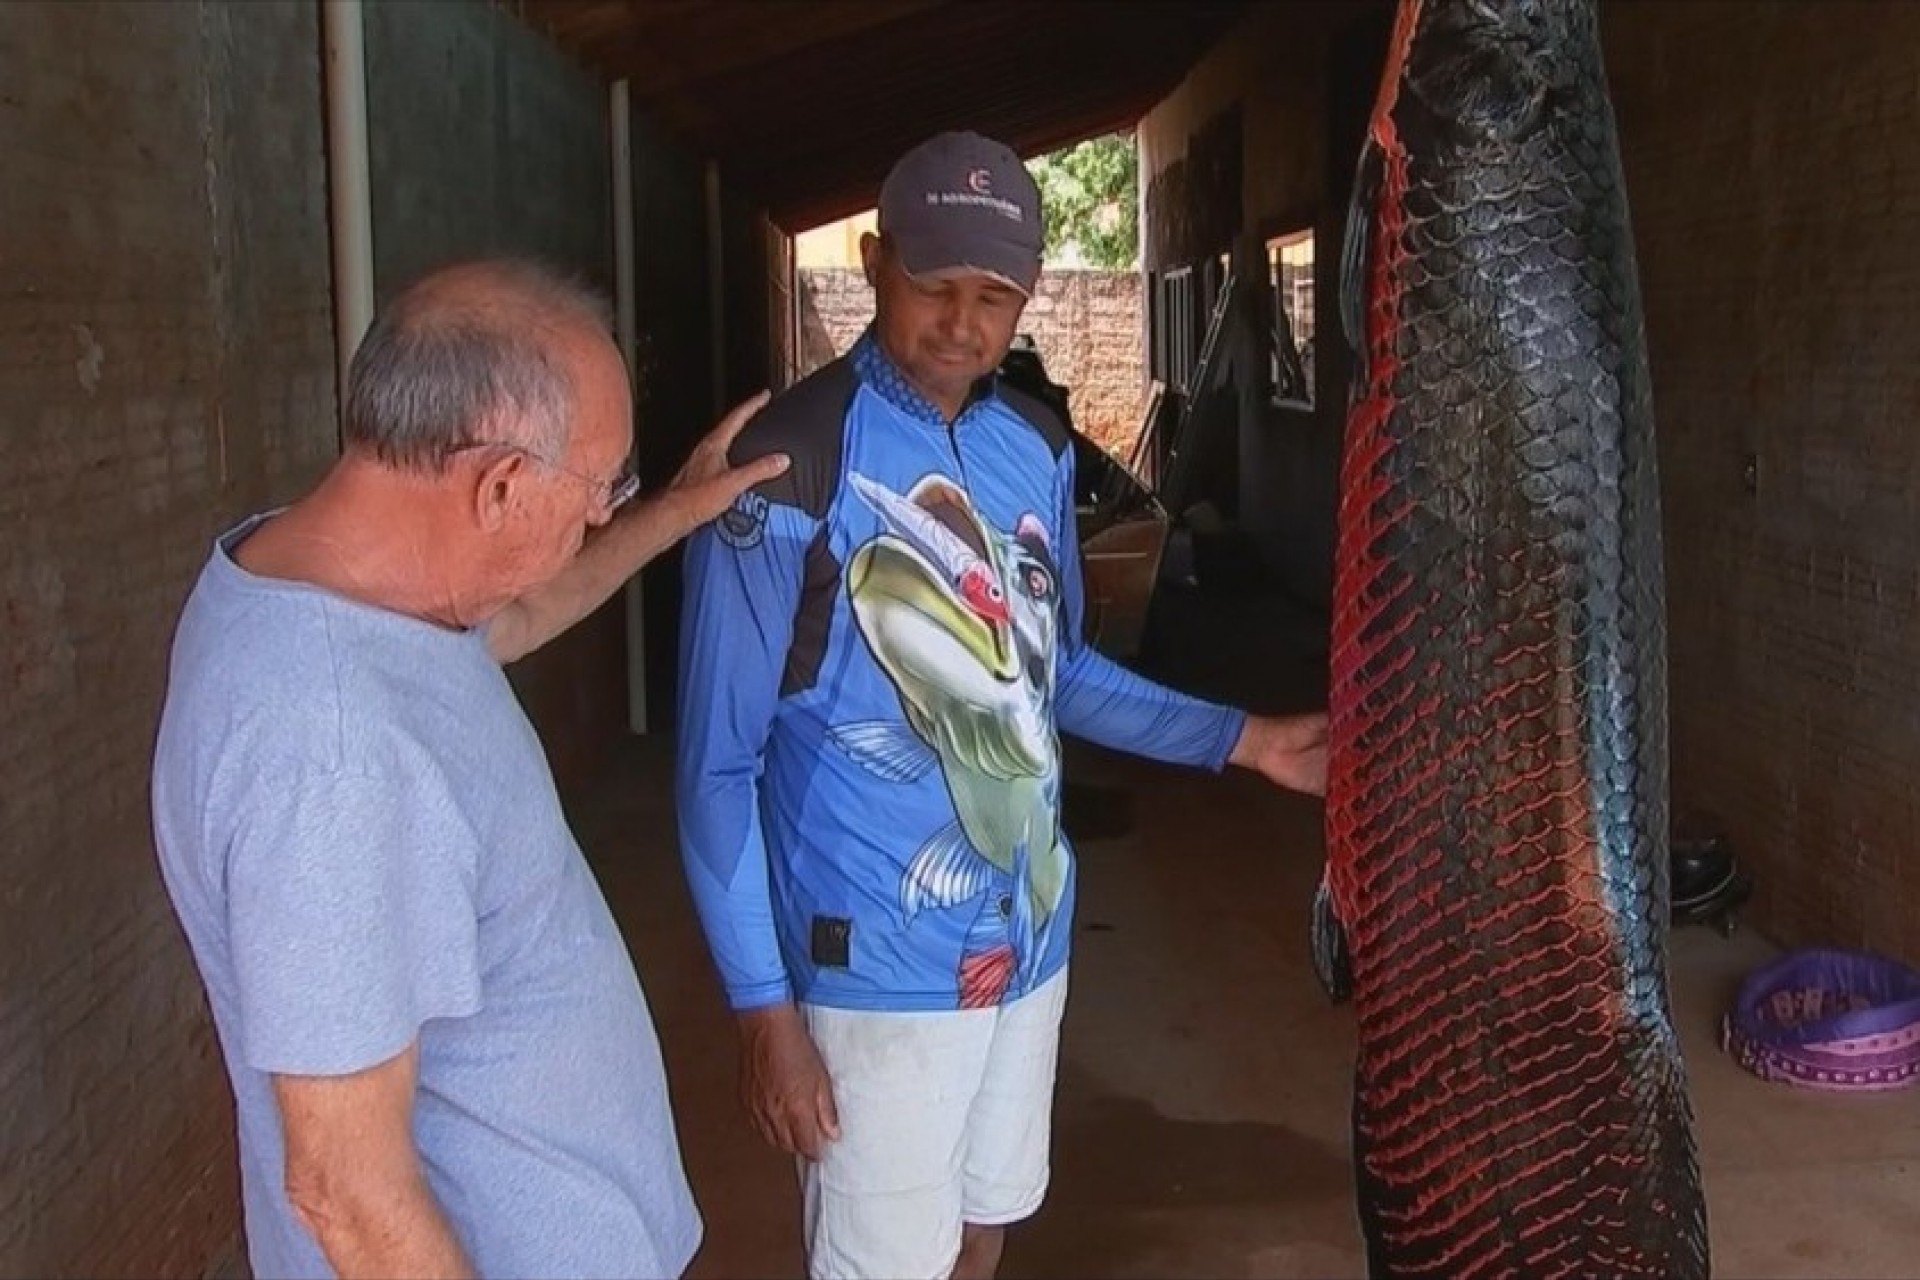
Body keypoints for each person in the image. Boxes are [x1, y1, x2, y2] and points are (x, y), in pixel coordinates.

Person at [675, 131, 1329, 1280]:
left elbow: (1054, 669)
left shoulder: (1033, 442)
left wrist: (1248, 739)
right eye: (934, 288)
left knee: (985, 1221)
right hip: (869, 962)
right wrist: (761, 1008)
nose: (964, 327)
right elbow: (715, 766)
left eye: (997, 297)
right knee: (883, 1260)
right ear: (877, 263)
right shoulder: (791, 463)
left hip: (1026, 936)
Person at [150, 259, 787, 1280]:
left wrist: (670, 510)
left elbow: (519, 610)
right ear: (500, 484)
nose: (600, 511)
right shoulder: (335, 751)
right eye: (600, 484)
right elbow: (345, 1187)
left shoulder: (339, 577)